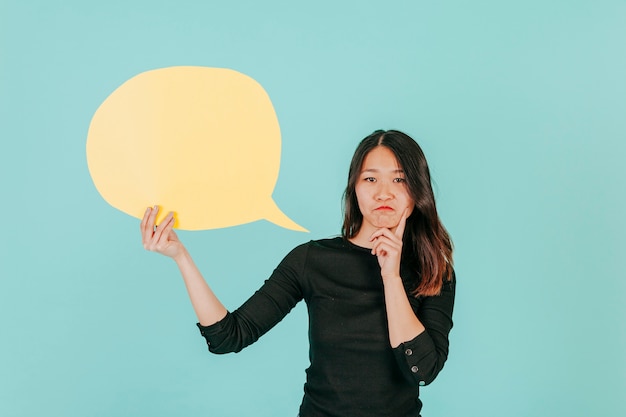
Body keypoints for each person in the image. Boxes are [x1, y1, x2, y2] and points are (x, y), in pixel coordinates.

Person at [140, 129, 455, 417]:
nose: (384, 192)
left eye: (399, 180)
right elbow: (228, 337)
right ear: (354, 189)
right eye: (370, 179)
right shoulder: (312, 259)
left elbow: (423, 370)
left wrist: (391, 277)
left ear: (417, 191)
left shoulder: (434, 270)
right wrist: (180, 256)